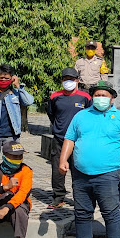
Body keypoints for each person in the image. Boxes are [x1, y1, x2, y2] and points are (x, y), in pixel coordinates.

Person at [59, 80, 120, 238]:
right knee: (82, 212)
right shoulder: (81, 116)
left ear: (112, 98)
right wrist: (63, 159)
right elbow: (70, 139)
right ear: (92, 97)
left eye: (104, 95)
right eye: (97, 95)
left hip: (108, 174)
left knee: (110, 212)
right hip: (80, 174)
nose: (100, 98)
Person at [45, 67, 91, 209]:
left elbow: (90, 116)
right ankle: (58, 197)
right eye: (65, 79)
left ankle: (80, 197)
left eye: (71, 79)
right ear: (62, 81)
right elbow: (51, 114)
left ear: (77, 81)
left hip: (79, 141)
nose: (68, 82)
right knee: (58, 169)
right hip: (59, 139)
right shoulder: (55, 97)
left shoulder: (85, 97)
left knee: (78, 170)